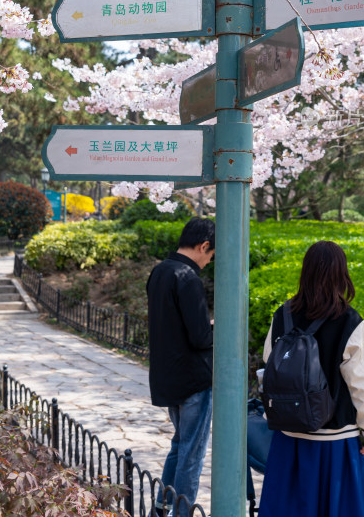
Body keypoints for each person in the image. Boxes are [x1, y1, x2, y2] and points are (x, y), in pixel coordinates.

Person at [259, 240, 364, 517]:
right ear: (341, 273)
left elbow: (270, 362)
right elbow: (361, 381)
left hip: (289, 433)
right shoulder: (349, 320)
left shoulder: (283, 315)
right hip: (334, 437)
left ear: (307, 271)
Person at [146, 217, 215, 517]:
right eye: (211, 255)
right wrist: (216, 327)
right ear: (203, 246)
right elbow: (200, 337)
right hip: (192, 380)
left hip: (167, 377)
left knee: (179, 444)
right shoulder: (188, 277)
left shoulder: (160, 270)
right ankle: (183, 512)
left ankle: (162, 508)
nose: (210, 261)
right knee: (192, 452)